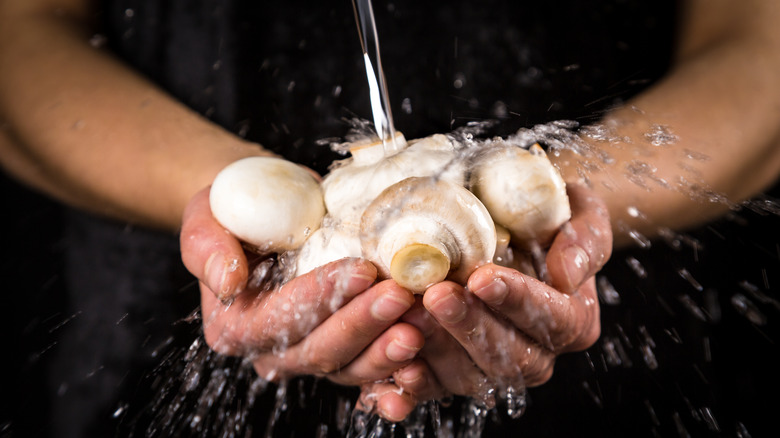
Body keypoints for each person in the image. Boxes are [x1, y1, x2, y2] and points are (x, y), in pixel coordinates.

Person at [1, 0, 778, 436]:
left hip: (609, 374)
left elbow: (760, 48)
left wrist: (542, 200)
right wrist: (238, 200)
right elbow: (19, 38)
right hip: (152, 312)